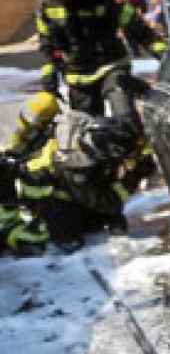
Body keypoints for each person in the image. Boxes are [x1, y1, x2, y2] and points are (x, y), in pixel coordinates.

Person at [31, 0, 166, 140]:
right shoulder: (46, 7)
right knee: (88, 135)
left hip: (111, 66)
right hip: (78, 76)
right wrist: (49, 74)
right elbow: (47, 44)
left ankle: (139, 159)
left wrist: (159, 49)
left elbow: (134, 24)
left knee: (126, 119)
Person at [0, 92, 154, 255]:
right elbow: (110, 202)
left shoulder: (82, 127)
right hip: (46, 199)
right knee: (69, 236)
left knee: (98, 200)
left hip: (51, 182)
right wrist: (135, 176)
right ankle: (33, 229)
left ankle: (94, 216)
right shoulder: (77, 168)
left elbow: (125, 137)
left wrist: (141, 154)